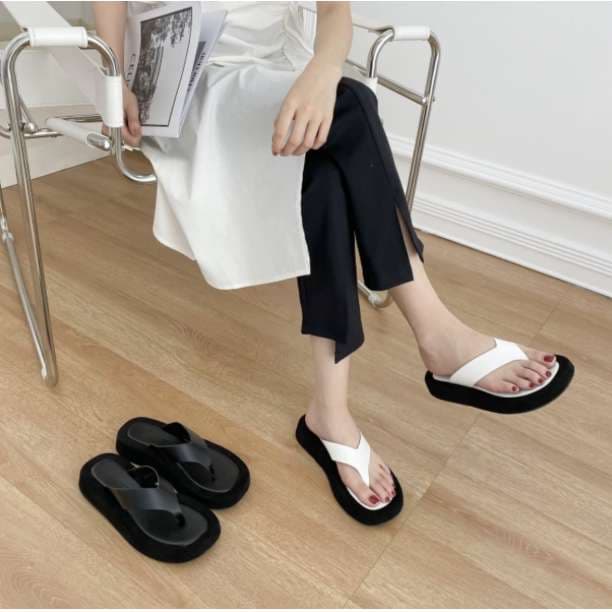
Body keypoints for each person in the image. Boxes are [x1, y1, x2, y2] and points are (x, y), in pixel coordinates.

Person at [93, 1, 573, 525]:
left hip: (280, 77)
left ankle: (329, 411)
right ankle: (436, 333)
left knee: (326, 160)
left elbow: (333, 9)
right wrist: (113, 74)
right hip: (190, 88)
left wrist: (323, 71)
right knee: (353, 104)